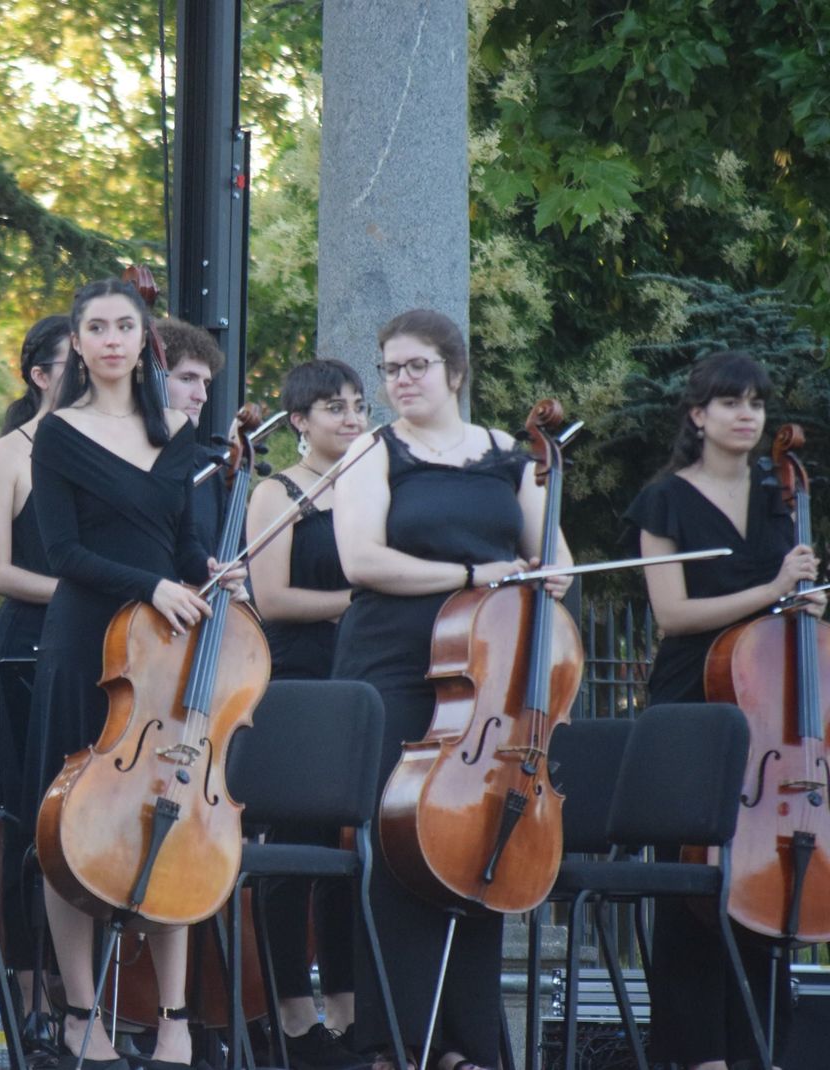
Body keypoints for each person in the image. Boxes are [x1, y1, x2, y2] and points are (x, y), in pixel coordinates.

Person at [331, 309, 570, 1070]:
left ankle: (467, 1043)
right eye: (391, 368)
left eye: (417, 366)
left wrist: (546, 573)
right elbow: (362, 561)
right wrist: (473, 574)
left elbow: (554, 559)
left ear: (455, 372)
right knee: (404, 846)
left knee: (476, 844)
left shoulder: (509, 454)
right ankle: (393, 1041)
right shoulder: (375, 450)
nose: (401, 380)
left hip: (490, 670)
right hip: (397, 660)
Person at [27, 278, 240, 1070]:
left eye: (125, 325)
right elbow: (63, 556)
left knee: (172, 809)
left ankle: (175, 1019)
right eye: (96, 328)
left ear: (143, 339)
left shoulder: (178, 431)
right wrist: (150, 584)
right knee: (69, 820)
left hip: (169, 645)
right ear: (77, 345)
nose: (112, 339)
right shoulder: (58, 435)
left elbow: (185, 542)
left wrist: (202, 569)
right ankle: (84, 1012)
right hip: (91, 639)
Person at [625, 351, 812, 1070]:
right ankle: (697, 1055)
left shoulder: (782, 496)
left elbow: (794, 598)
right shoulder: (664, 499)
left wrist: (804, 601)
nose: (747, 415)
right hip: (690, 704)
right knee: (688, 892)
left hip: (767, 713)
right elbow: (673, 614)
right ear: (697, 415)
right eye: (730, 402)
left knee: (765, 889)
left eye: (757, 403)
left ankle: (760, 1050)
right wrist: (773, 587)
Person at [243, 359, 368, 1068]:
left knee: (352, 849)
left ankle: (349, 1010)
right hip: (298, 679)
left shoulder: (371, 490)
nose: (350, 418)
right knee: (294, 849)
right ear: (298, 421)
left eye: (356, 406)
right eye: (332, 408)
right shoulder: (276, 492)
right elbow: (275, 597)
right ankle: (293, 1017)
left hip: (362, 682)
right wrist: (363, 601)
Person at [0, 315, 68, 999]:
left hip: (104, 651)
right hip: (29, 647)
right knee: (28, 817)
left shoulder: (116, 448)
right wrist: (91, 590)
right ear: (40, 376)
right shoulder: (7, 455)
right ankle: (28, 994)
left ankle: (91, 995)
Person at [155, 319, 227, 552]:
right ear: (152, 378)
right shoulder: (112, 457)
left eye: (205, 383)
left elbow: (240, 556)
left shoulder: (212, 467)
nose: (202, 396)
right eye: (187, 379)